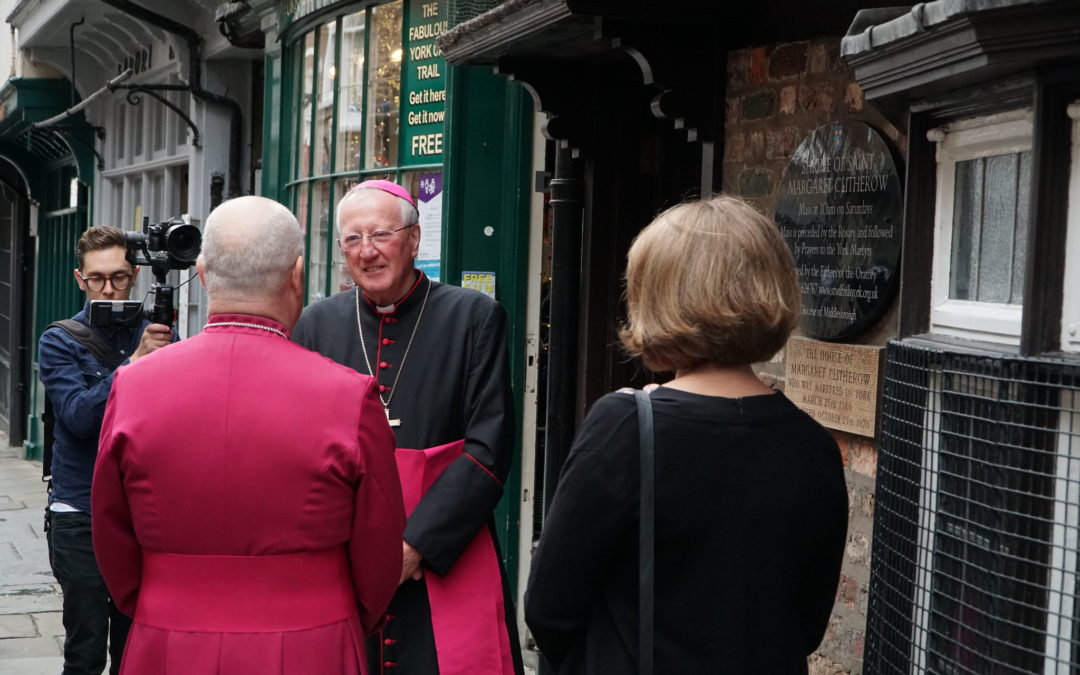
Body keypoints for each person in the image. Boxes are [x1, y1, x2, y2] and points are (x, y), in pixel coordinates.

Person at [524, 195, 849, 674]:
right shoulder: (813, 445)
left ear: (657, 297)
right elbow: (806, 625)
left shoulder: (625, 426)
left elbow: (549, 608)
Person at [91, 196, 406, 674]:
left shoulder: (133, 386)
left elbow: (110, 534)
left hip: (169, 635)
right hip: (311, 637)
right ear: (296, 275)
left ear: (201, 273)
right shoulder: (350, 395)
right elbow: (379, 551)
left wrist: (162, 602)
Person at [293, 180, 523, 675]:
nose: (367, 251)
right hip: (345, 563)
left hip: (444, 549)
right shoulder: (315, 324)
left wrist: (411, 548)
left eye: (381, 234)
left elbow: (489, 448)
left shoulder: (474, 316)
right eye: (352, 239)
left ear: (415, 239)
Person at [38, 225, 173, 675]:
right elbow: (77, 416)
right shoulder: (59, 339)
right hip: (80, 511)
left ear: (134, 275)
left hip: (143, 510)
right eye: (97, 279)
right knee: (86, 646)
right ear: (81, 278)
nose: (108, 288)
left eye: (118, 277)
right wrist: (135, 365)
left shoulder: (159, 332)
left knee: (138, 648)